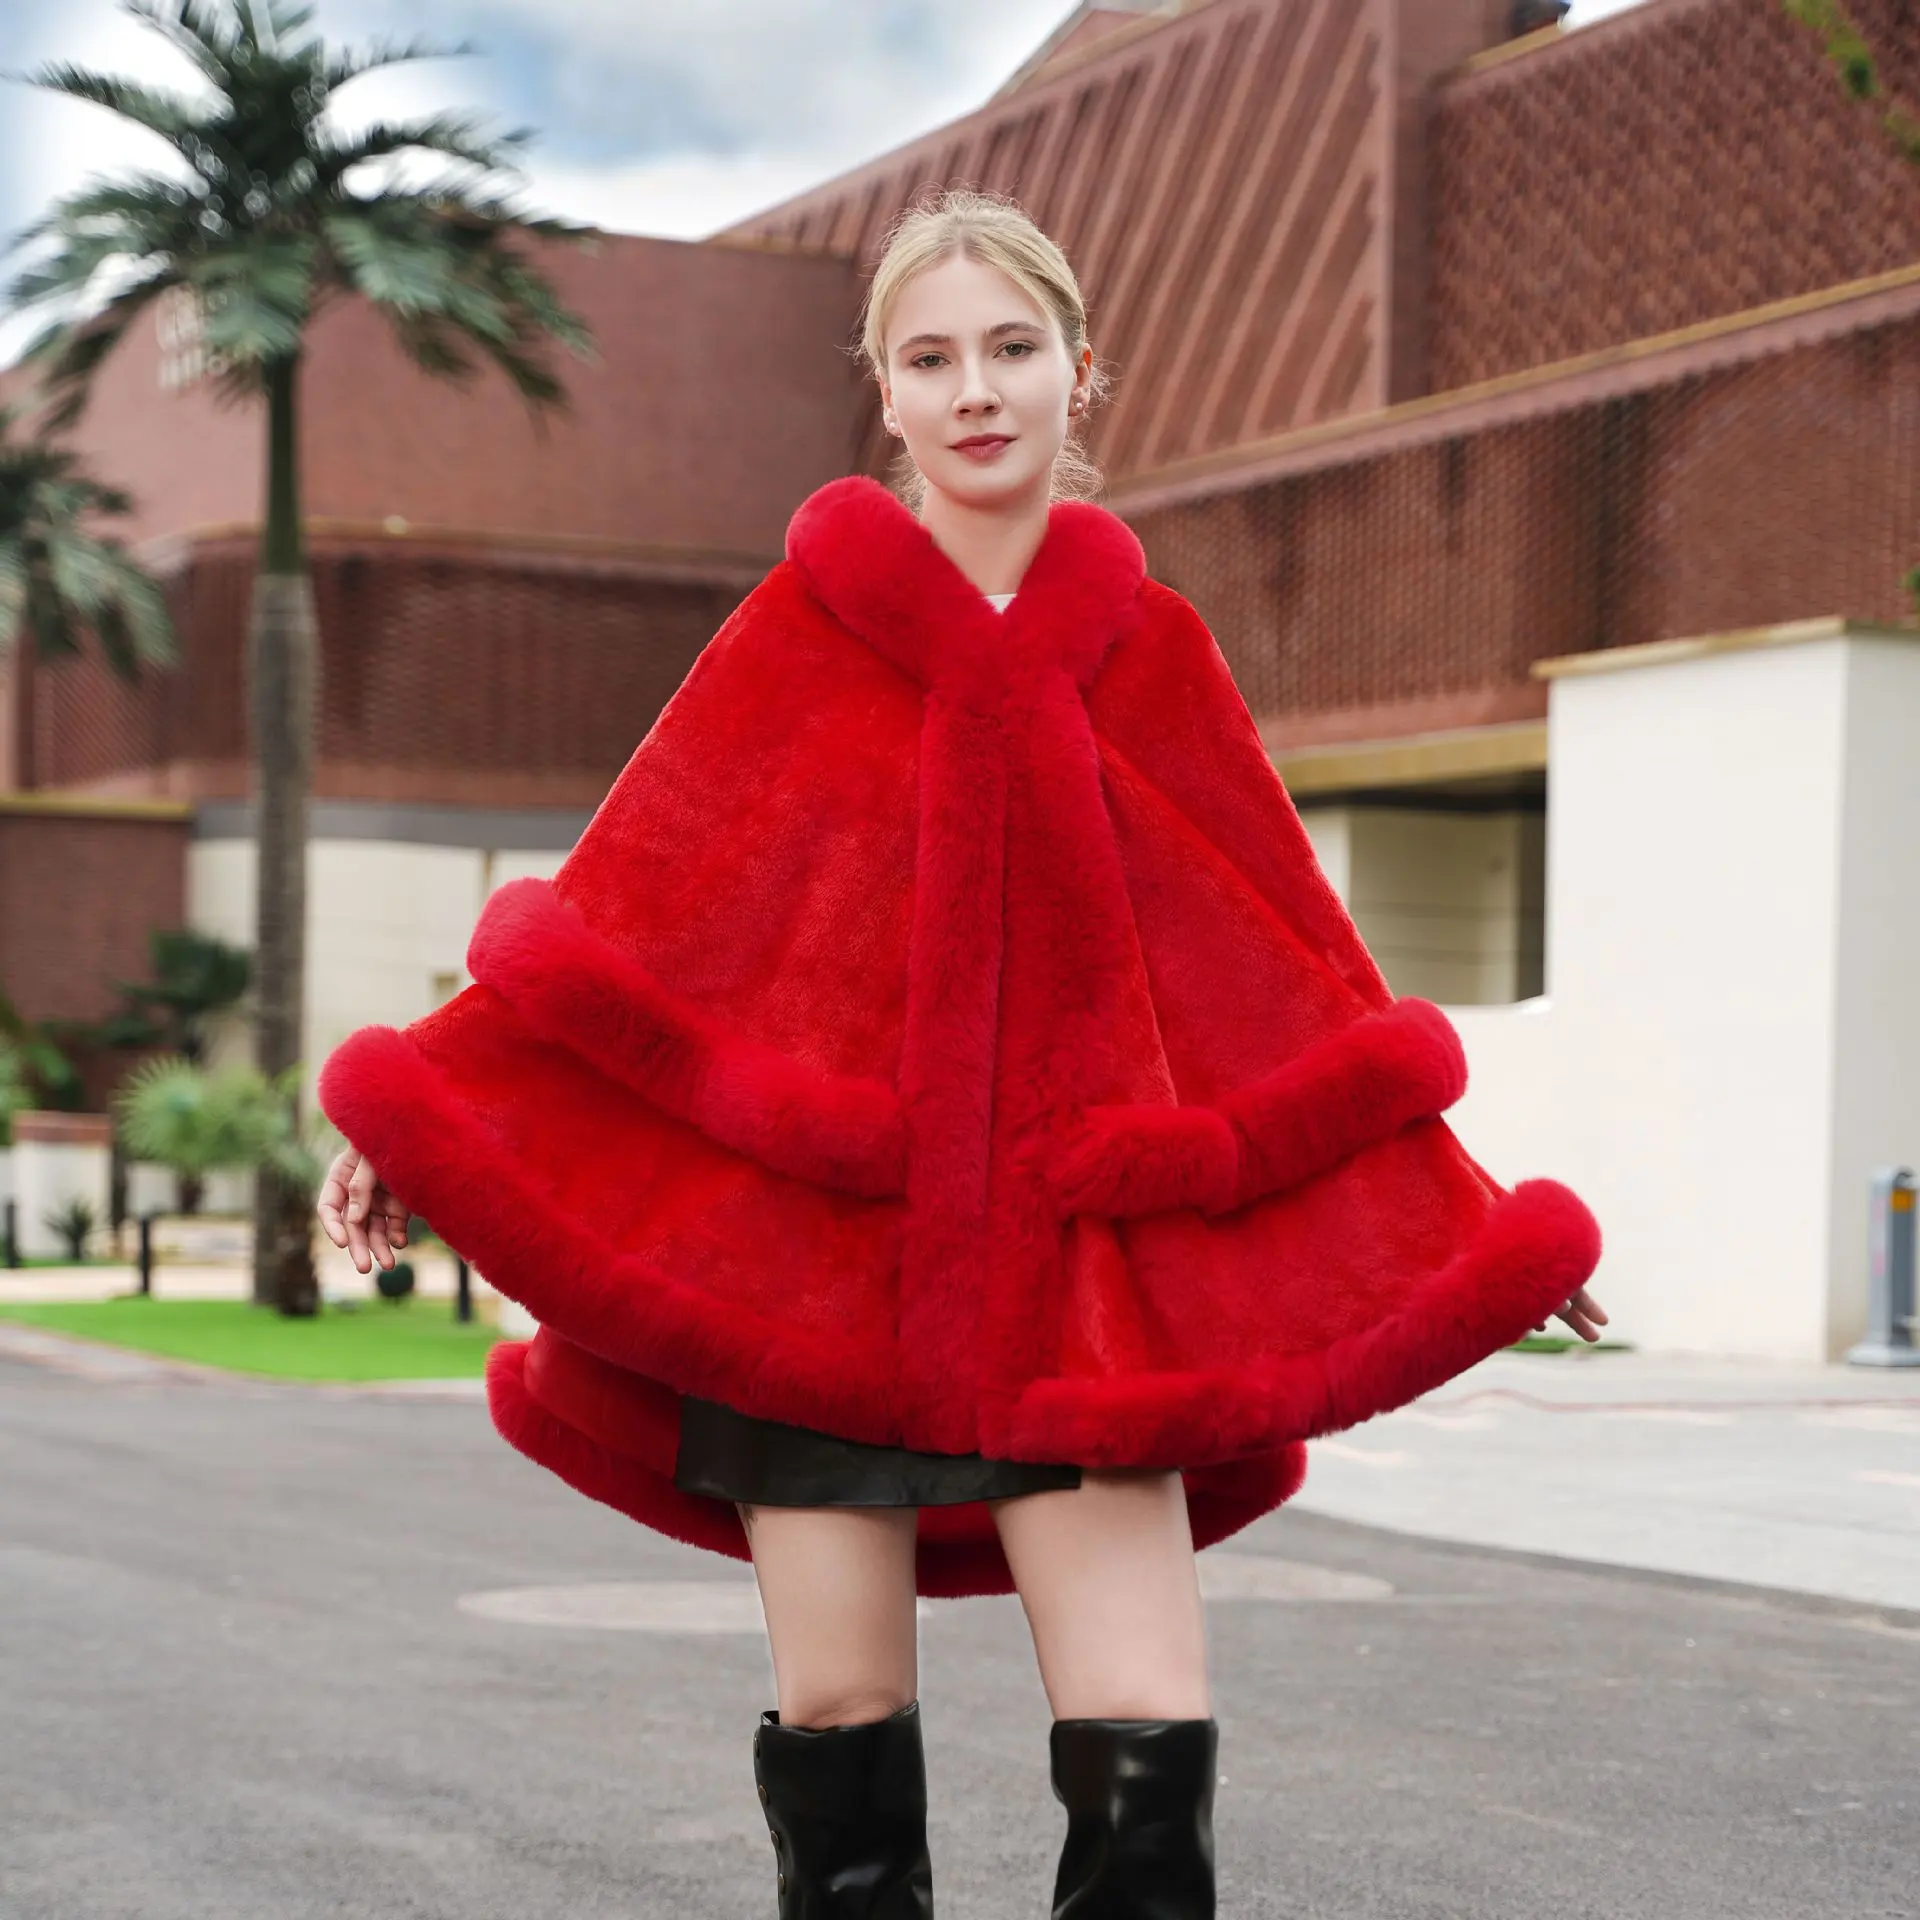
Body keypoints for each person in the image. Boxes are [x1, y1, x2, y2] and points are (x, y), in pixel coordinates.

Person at [316, 186, 1606, 1920]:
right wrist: (422, 1117)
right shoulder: (795, 638)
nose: (976, 391)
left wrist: (1468, 1229)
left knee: (1148, 1747)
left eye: (1011, 348)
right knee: (842, 1732)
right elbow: (638, 915)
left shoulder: (1154, 654)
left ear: (1083, 369)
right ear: (887, 390)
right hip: (817, 1292)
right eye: (931, 359)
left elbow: (1286, 974)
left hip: (1079, 1297)